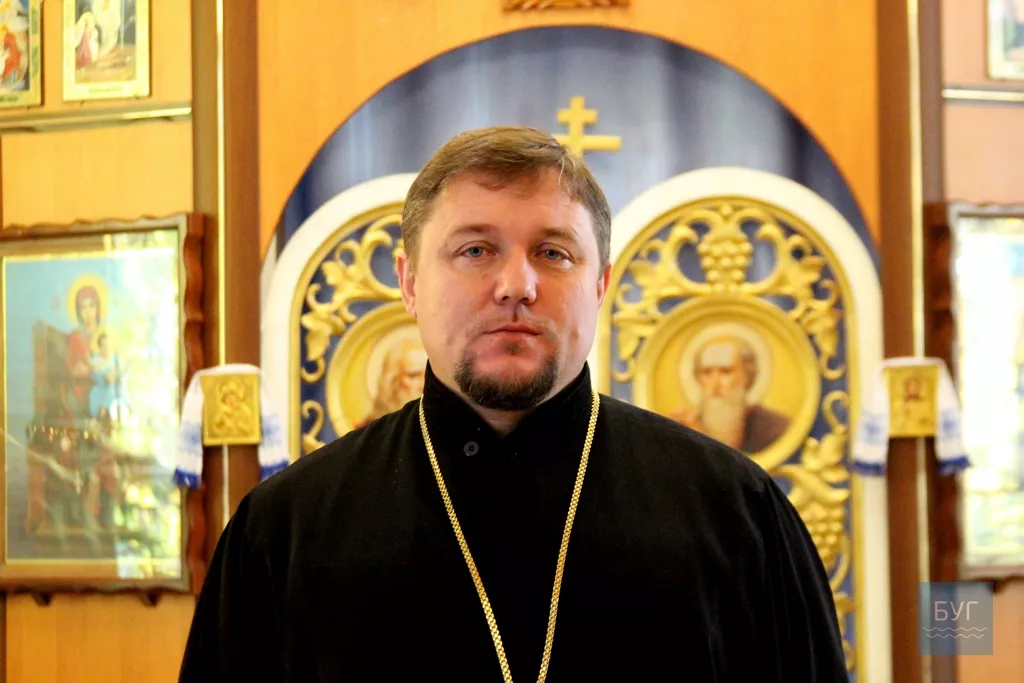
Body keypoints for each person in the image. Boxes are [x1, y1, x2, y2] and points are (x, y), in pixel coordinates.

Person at [179, 127, 848, 682]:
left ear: (601, 286)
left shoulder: (738, 514)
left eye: (553, 253)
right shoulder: (285, 532)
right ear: (409, 283)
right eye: (475, 250)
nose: (516, 285)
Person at [673, 334, 790, 453]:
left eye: (725, 372)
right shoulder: (683, 425)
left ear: (747, 376)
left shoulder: (773, 429)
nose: (714, 384)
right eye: (707, 372)